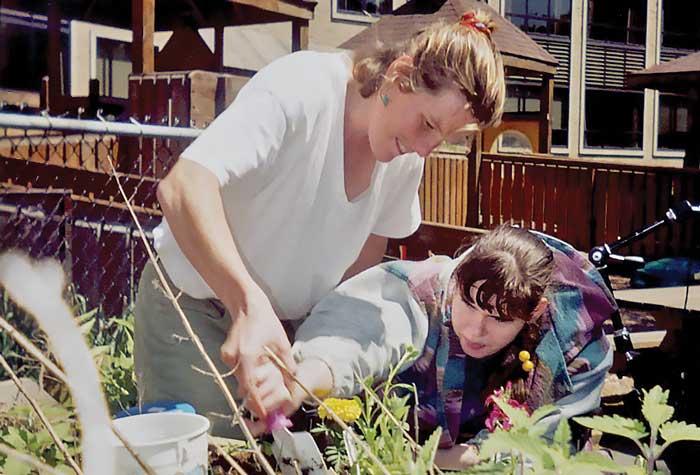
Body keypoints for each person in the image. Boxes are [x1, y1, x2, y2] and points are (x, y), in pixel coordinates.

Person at [133, 11, 506, 436]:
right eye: (426, 125)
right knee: (206, 456)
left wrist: (314, 351)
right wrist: (248, 305)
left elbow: (358, 275)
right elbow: (183, 187)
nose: (423, 149)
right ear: (401, 75)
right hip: (193, 310)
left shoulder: (403, 159)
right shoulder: (303, 88)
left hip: (282, 335)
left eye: (440, 141)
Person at [285, 226, 615, 469]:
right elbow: (353, 333)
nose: (475, 329)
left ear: (535, 311)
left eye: (498, 318)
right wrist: (308, 376)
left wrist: (429, 460)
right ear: (457, 281)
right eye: (469, 304)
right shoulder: (418, 292)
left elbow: (542, 449)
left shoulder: (576, 343)